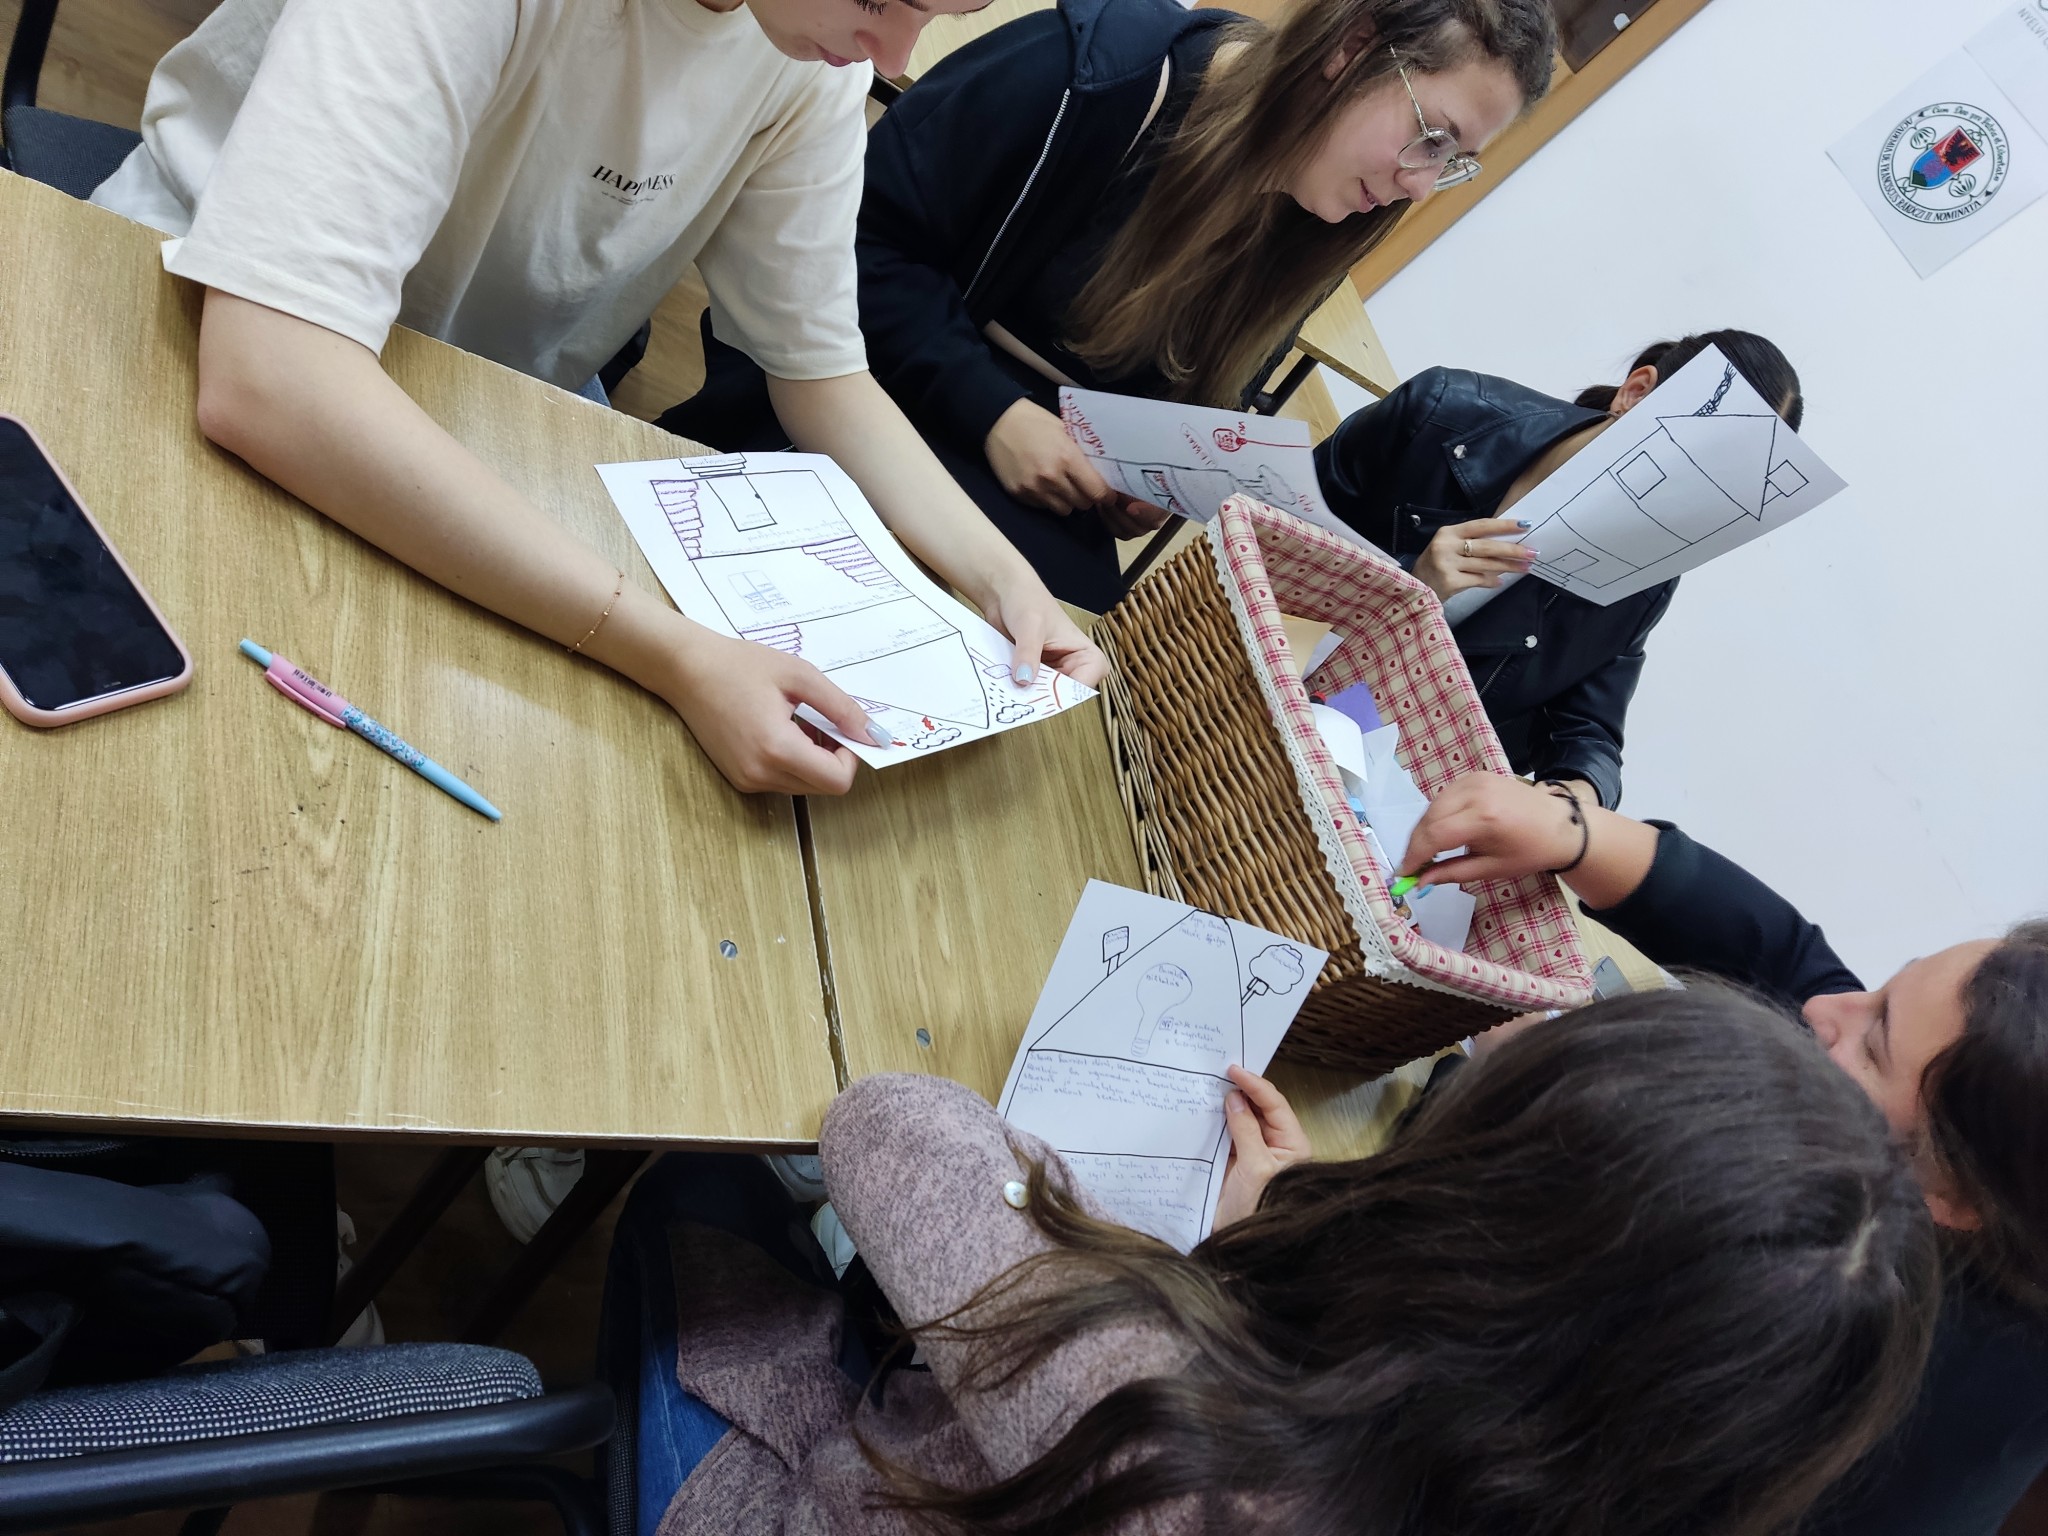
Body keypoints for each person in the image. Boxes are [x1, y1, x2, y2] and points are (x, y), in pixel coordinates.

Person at [88, 0, 1103, 799]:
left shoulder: (808, 60)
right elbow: (272, 375)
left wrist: (998, 579)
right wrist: (675, 656)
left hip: (468, 402)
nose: (894, 55)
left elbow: (820, 369)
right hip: (177, 318)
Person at [601, 997, 1937, 1534]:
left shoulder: (1155, 1412)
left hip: (830, 1505)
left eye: (1874, 1028)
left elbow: (889, 1123)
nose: (1833, 1007)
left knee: (702, 1187)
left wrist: (1225, 1251)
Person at [1396, 771, 2048, 1534]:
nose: (1823, 1009)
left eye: (1873, 1043)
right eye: (1882, 990)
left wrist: (1510, 1083)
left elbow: (1466, 1337)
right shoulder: (1979, 1177)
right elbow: (1790, 960)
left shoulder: (1805, 1333)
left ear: (1955, 1198)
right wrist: (1576, 832)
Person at [820, 0, 1561, 613]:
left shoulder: (1317, 222)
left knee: (1081, 680)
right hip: (868, 392)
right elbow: (854, 240)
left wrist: (1149, 479)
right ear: (1353, 46)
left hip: (1037, 489)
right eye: (1431, 137)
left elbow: (1193, 403)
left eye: (1452, 162)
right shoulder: (1101, 75)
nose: (1422, 186)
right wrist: (994, 412)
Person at [1314, 330, 1804, 810]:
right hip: (1273, 674)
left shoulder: (1645, 576)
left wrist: (1580, 794)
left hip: (1373, 781)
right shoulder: (1444, 410)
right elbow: (1273, 522)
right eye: (1693, 458)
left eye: (1722, 493)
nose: (1686, 496)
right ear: (1635, 394)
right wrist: (1407, 583)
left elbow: (1587, 725)